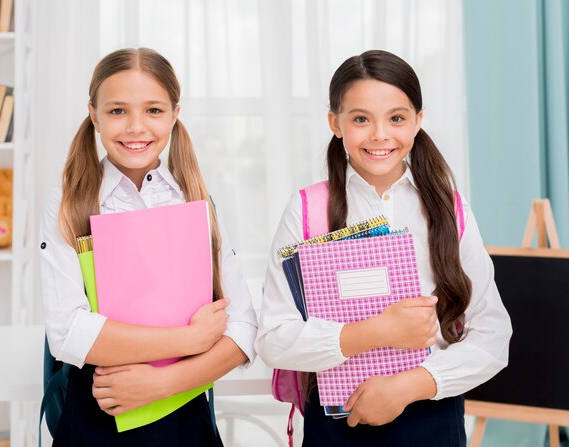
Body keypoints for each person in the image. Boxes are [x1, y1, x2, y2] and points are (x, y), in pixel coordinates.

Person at [255, 49, 512, 446]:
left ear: (418, 121)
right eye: (361, 119)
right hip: (335, 423)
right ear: (334, 123)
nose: (379, 135)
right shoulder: (306, 210)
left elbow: (493, 334)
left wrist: (408, 386)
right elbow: (274, 338)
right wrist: (375, 332)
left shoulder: (450, 209)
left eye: (396, 118)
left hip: (432, 414)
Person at [39, 47, 257, 446]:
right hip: (97, 418)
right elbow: (68, 333)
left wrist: (162, 383)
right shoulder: (68, 203)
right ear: (94, 115)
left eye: (154, 111)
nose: (136, 127)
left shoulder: (198, 201)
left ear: (175, 114)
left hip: (186, 422)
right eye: (118, 111)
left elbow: (243, 330)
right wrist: (188, 340)